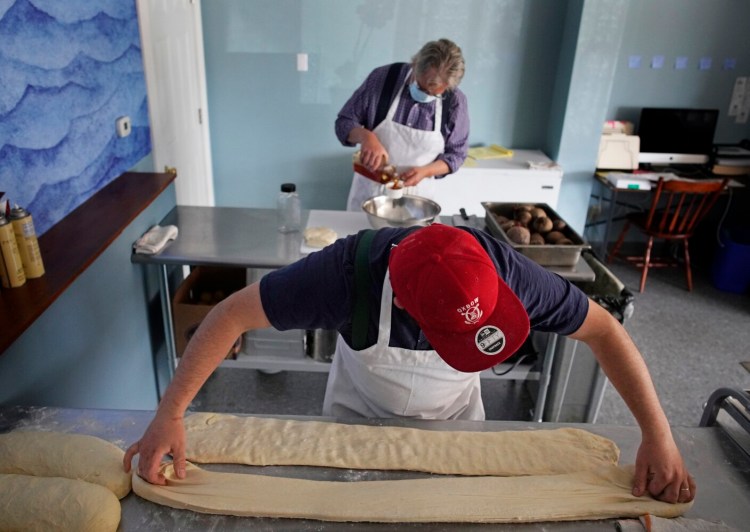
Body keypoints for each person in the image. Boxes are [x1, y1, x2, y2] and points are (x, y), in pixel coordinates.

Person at [124, 224, 695, 505]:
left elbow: (604, 329)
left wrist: (659, 435)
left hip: (456, 431)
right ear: (401, 300)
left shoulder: (510, 272)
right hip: (351, 431)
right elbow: (229, 316)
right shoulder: (343, 275)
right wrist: (170, 413)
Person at [335, 38, 470, 211]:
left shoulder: (455, 102)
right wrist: (367, 137)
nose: (425, 95)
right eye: (421, 88)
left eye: (433, 94)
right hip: (369, 195)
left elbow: (457, 155)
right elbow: (344, 122)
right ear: (415, 64)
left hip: (416, 200)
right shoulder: (383, 79)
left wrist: (425, 171)